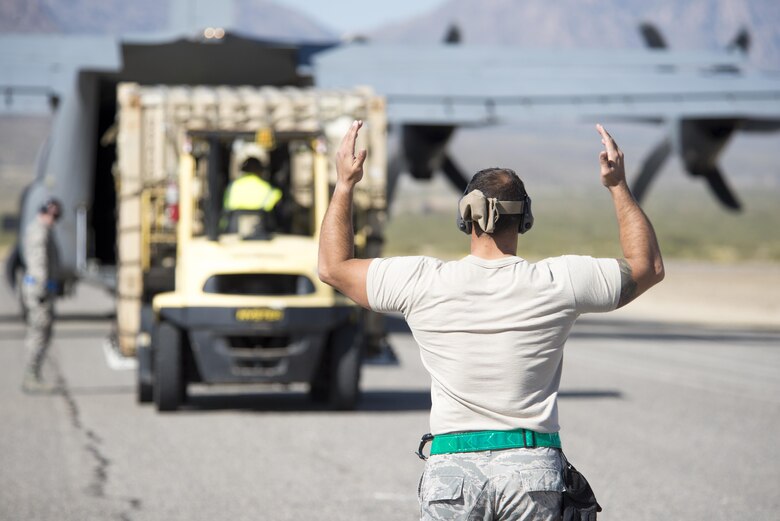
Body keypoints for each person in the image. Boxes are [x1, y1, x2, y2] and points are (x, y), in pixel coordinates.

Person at [318, 121, 664, 520]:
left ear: (466, 216)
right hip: (532, 473)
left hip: (452, 474)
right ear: (526, 218)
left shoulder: (421, 283)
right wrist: (618, 185)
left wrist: (345, 184)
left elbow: (332, 266)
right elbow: (648, 267)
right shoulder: (558, 282)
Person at [21, 197, 62, 393]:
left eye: (56, 216)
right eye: (51, 214)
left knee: (42, 332)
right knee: (38, 332)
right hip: (39, 291)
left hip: (43, 289)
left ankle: (34, 374)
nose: (53, 219)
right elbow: (38, 265)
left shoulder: (43, 231)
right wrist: (41, 290)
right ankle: (31, 375)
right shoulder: (39, 233)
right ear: (43, 212)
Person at [223, 156, 282, 234]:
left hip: (234, 230)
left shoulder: (232, 186)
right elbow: (277, 209)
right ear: (260, 170)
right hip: (262, 231)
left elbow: (226, 209)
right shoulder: (269, 188)